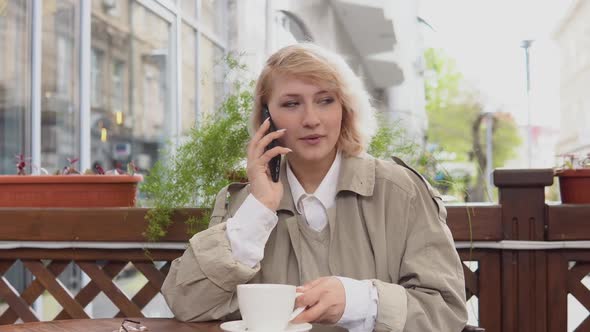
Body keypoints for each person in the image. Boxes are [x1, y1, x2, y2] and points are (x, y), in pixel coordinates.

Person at [162, 43, 467, 332]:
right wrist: (258, 211)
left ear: (345, 108)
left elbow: (445, 310)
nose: (311, 119)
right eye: (291, 104)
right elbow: (187, 305)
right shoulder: (244, 204)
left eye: (325, 100)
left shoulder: (401, 191)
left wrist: (359, 301)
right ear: (266, 118)